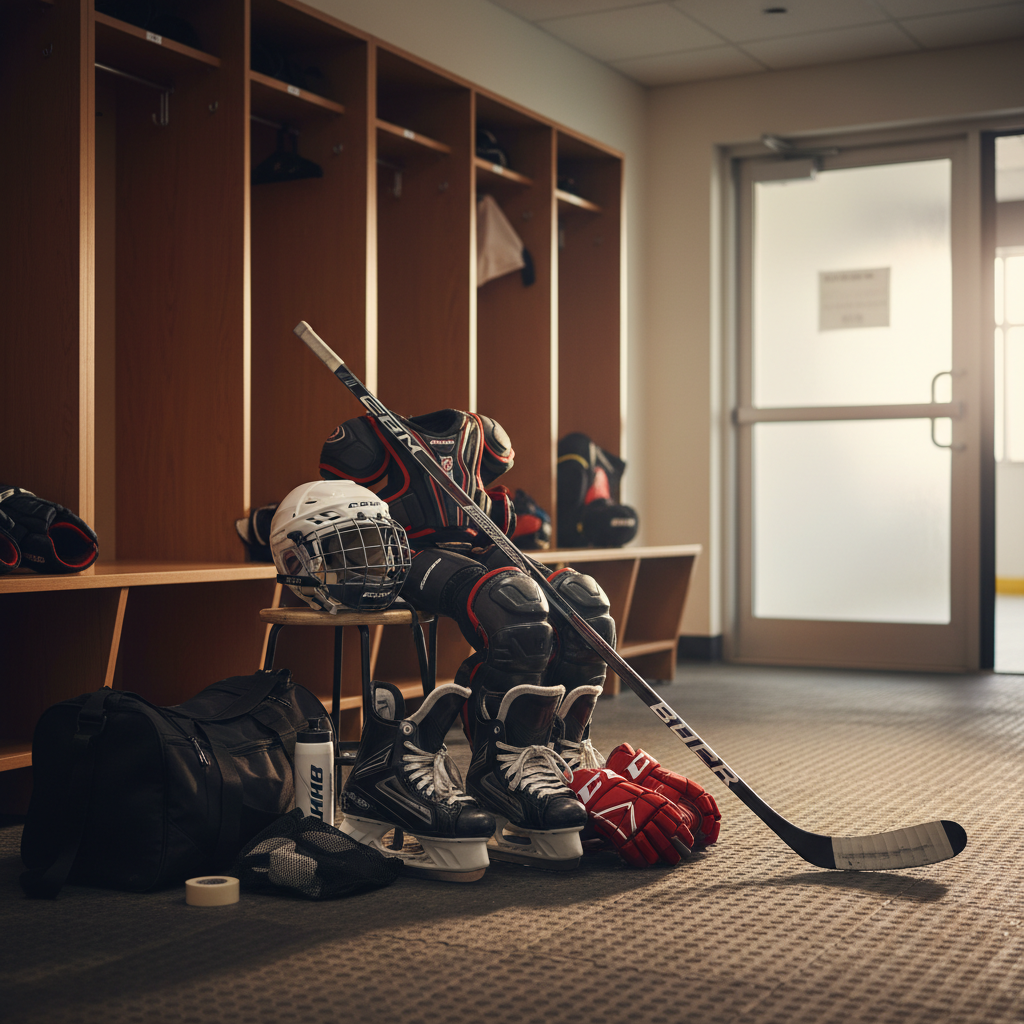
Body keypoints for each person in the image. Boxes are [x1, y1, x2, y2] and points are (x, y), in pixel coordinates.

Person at [320, 407, 720, 872]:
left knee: (586, 606)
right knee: (515, 610)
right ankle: (501, 770)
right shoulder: (366, 437)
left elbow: (496, 499)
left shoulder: (479, 432)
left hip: (478, 543)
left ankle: (560, 754)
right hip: (410, 551)